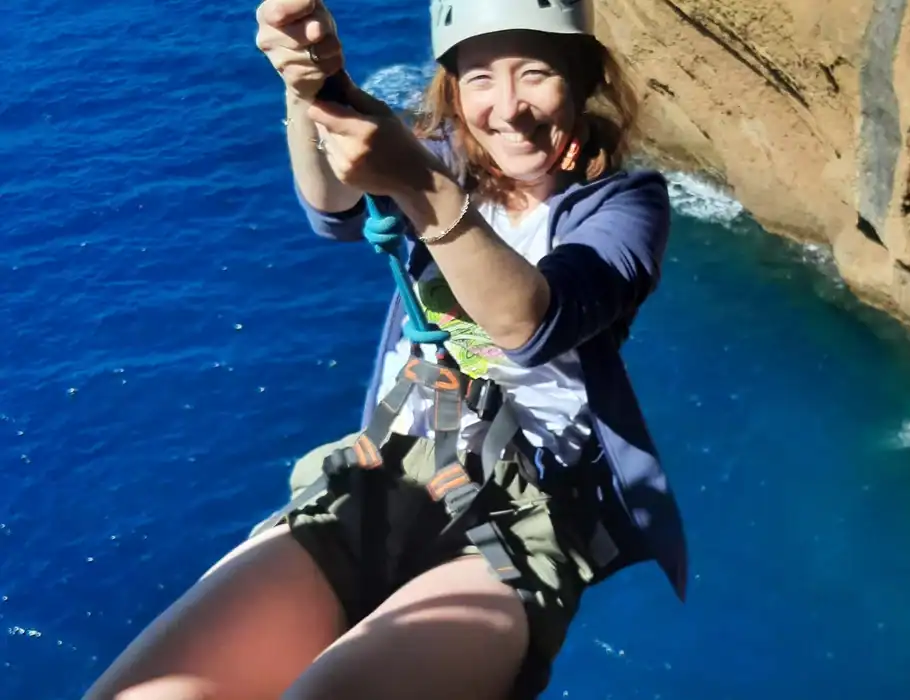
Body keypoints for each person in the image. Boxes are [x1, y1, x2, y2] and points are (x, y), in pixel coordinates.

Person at [83, 0, 688, 698]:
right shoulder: (443, 160)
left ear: (581, 80)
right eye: (481, 77)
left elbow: (531, 322)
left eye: (536, 73)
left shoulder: (623, 206)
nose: (509, 107)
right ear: (453, 86)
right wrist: (309, 85)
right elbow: (333, 204)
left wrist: (421, 189)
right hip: (388, 470)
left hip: (527, 511)